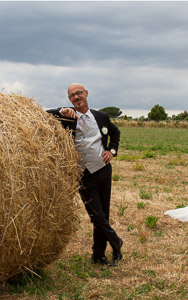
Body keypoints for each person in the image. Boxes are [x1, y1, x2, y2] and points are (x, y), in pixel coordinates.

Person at [47, 83, 123, 266]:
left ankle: (99, 254)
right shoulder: (66, 118)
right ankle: (115, 240)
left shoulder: (101, 117)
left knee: (103, 213)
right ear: (70, 100)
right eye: (72, 95)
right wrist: (61, 110)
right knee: (95, 214)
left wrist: (112, 151)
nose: (76, 97)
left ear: (86, 93)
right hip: (83, 174)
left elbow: (115, 133)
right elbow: (43, 115)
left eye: (79, 93)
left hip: (103, 171)